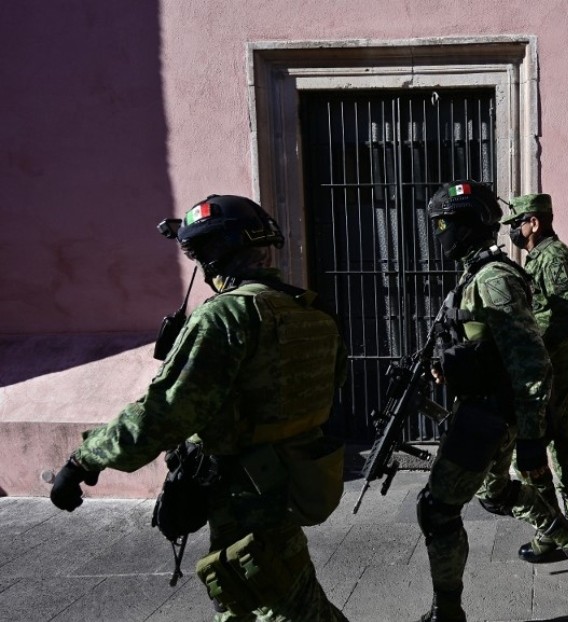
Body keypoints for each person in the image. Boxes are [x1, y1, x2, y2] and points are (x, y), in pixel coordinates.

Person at [49, 194, 350, 622]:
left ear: (213, 256)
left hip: (243, 492)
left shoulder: (226, 316)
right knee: (270, 591)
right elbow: (329, 386)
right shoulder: (311, 309)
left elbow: (166, 410)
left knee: (270, 599)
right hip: (297, 478)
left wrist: (85, 459)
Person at [417, 180, 568, 622]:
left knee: (438, 509)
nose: (440, 234)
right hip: (485, 406)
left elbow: (532, 360)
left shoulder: (496, 277)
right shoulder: (478, 272)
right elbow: (489, 346)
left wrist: (531, 437)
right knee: (495, 491)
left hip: (492, 414)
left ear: (466, 225)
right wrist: (454, 365)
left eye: (444, 225)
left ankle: (448, 611)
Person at [500, 193, 568, 563]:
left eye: (517, 224)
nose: (513, 231)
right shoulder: (542, 256)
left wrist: (530, 345)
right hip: (556, 367)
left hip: (554, 369)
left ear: (534, 223)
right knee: (561, 445)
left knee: (535, 448)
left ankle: (556, 531)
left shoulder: (552, 257)